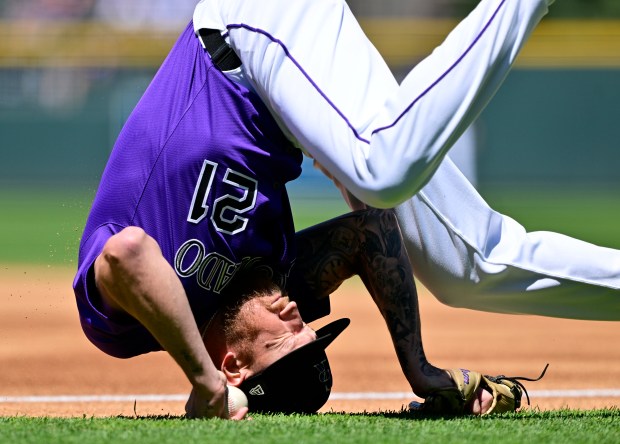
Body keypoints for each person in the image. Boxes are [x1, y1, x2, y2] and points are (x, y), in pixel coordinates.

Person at [193, 0, 620, 321]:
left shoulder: (142, 312)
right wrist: (418, 367)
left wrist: (201, 378)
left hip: (242, 30)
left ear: (233, 368)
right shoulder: (227, 293)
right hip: (252, 71)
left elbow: (125, 249)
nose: (302, 335)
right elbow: (370, 232)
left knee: (382, 171)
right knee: (462, 270)